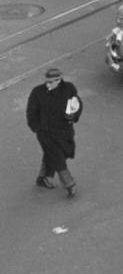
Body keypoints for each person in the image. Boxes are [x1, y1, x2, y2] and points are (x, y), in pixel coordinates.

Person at [27, 67, 82, 197]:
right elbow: (31, 112)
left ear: (59, 80)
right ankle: (69, 184)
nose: (48, 84)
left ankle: (43, 177)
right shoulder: (37, 92)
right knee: (57, 157)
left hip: (64, 131)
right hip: (46, 133)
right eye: (47, 82)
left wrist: (73, 116)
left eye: (51, 82)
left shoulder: (69, 88)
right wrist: (36, 128)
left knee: (57, 153)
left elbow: (76, 104)